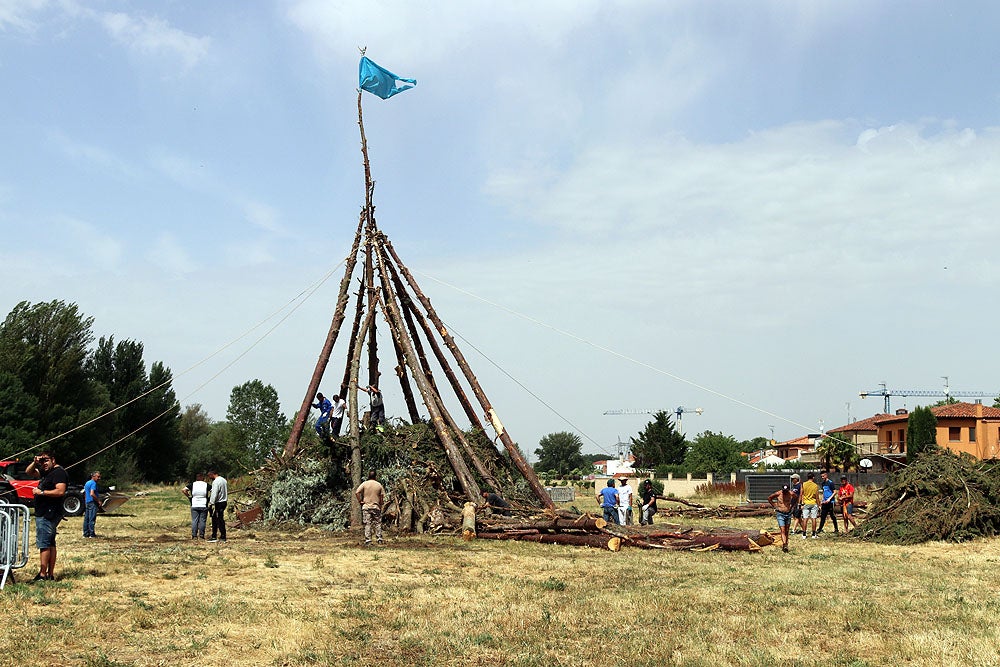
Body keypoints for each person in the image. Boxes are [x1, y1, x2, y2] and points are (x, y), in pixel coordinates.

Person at [26, 451, 68, 581]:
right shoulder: (47, 472)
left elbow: (60, 491)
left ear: (53, 460)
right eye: (42, 461)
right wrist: (34, 462)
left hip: (48, 513)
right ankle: (49, 574)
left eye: (46, 460)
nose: (44, 463)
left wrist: (42, 492)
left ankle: (43, 575)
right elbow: (29, 472)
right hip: (45, 512)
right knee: (49, 543)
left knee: (44, 543)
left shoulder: (59, 473)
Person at [355, 470, 385, 545]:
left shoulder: (364, 484)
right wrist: (381, 503)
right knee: (378, 523)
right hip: (376, 506)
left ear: (368, 476)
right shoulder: (378, 485)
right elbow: (382, 496)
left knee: (367, 524)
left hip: (366, 507)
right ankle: (379, 539)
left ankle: (368, 540)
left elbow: (357, 492)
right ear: (375, 476)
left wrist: (360, 501)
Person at [768, 484, 795, 552]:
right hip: (780, 514)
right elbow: (769, 498)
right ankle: (784, 544)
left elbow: (796, 498)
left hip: (788, 513)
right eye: (784, 491)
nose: (785, 493)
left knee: (787, 530)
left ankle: (785, 544)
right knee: (782, 530)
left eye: (786, 491)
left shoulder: (791, 494)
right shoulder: (778, 493)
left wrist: (792, 506)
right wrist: (774, 506)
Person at [182, 473, 210, 539]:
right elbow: (213, 491)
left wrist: (189, 497)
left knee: (195, 520)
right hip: (203, 504)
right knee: (202, 521)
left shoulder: (192, 484)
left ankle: (194, 535)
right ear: (203, 478)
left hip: (194, 504)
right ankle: (201, 535)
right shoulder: (206, 485)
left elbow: (183, 490)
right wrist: (209, 498)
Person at [207, 470, 228, 543]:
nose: (209, 478)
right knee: (219, 518)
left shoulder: (216, 482)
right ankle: (219, 535)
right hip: (224, 501)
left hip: (218, 503)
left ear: (212, 474)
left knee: (217, 520)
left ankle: (218, 536)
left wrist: (211, 503)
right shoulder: (223, 480)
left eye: (209, 476)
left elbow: (214, 493)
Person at [818, 470, 840, 535]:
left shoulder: (830, 483)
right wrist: (823, 500)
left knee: (832, 515)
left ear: (826, 475)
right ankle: (820, 529)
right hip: (825, 502)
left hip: (831, 502)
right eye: (821, 476)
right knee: (823, 516)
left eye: (823, 476)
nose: (822, 477)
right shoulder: (823, 484)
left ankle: (836, 529)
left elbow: (835, 492)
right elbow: (824, 492)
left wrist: (829, 499)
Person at [82, 470, 102, 538]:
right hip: (92, 502)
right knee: (92, 518)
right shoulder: (93, 483)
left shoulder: (87, 483)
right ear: (93, 476)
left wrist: (85, 500)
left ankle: (85, 533)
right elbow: (92, 493)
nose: (99, 478)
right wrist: (98, 501)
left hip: (87, 502)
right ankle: (92, 534)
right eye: (98, 477)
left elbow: (85, 493)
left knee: (86, 518)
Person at [800, 472, 820, 538]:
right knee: (813, 518)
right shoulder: (815, 485)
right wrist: (819, 505)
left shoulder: (803, 484)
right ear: (813, 477)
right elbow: (817, 496)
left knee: (805, 518)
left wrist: (801, 503)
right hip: (813, 503)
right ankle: (814, 534)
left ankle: (804, 534)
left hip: (806, 503)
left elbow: (801, 494)